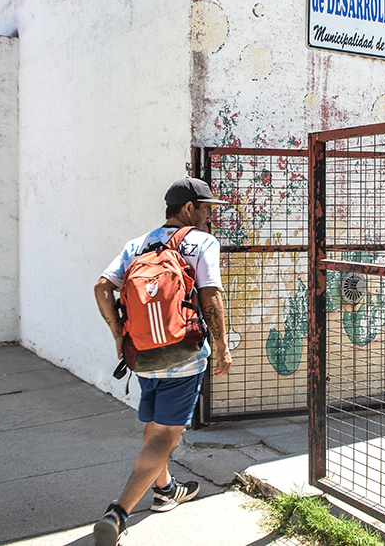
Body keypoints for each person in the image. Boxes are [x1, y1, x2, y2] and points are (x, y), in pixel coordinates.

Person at [92, 177, 233, 546]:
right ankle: (118, 513)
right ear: (188, 208)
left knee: (155, 425)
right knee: (167, 436)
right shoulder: (202, 242)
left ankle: (166, 490)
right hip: (184, 354)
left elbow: (102, 288)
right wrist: (221, 345)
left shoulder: (137, 244)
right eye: (205, 209)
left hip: (142, 355)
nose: (208, 216)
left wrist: (120, 337)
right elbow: (210, 298)